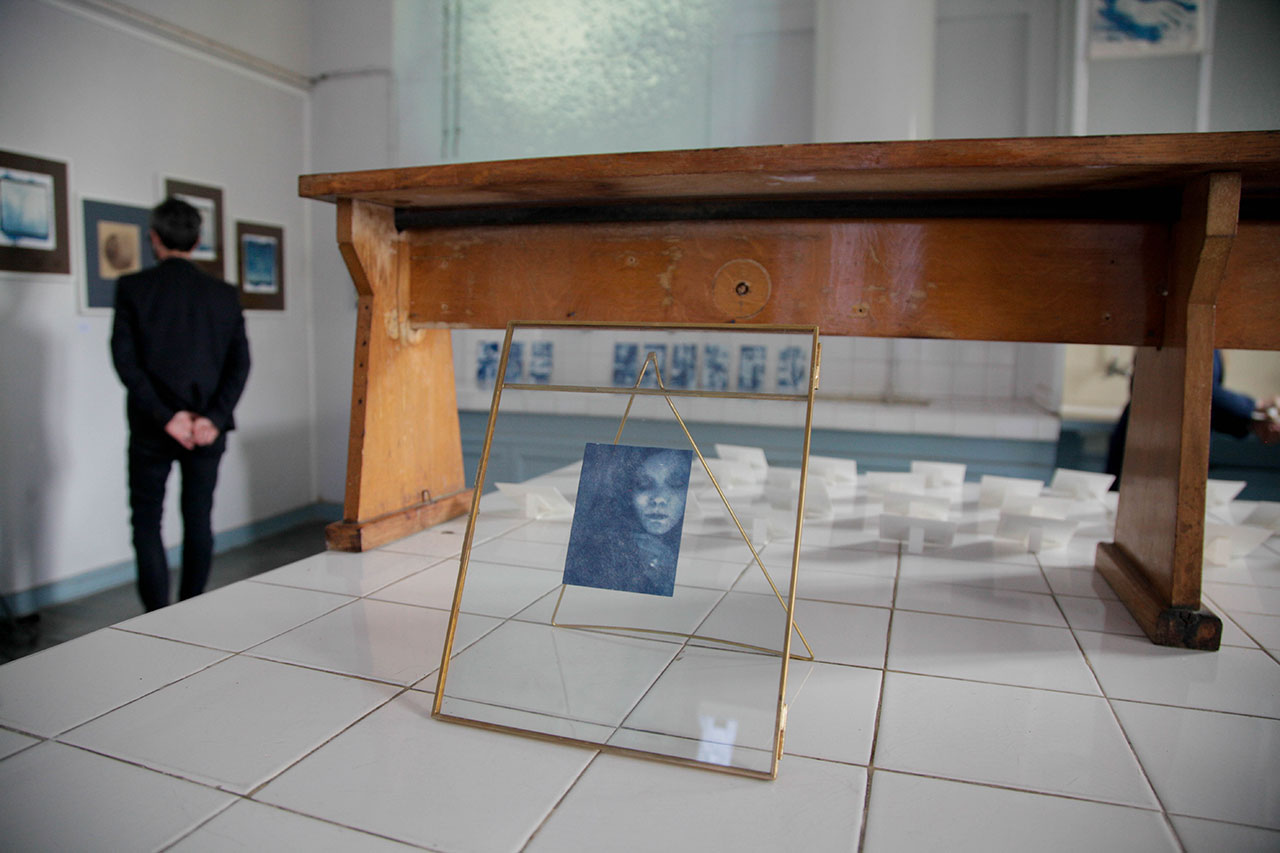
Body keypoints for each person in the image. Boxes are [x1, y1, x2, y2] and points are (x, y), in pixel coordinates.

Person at [110, 198, 251, 611]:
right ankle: (191, 611)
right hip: (206, 428)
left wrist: (166, 416)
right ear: (198, 239)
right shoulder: (223, 294)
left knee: (146, 522)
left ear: (154, 238)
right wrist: (213, 418)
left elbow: (125, 361)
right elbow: (240, 364)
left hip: (152, 427)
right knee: (198, 519)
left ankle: (155, 617)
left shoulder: (133, 288)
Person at [1106, 350, 1280, 487]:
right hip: (1151, 446)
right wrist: (1255, 408)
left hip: (1159, 444)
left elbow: (1203, 404)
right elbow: (1198, 389)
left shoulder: (1209, 339)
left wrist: (1254, 419)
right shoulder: (1188, 327)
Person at [563, 444, 692, 597]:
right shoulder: (597, 553)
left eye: (676, 483)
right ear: (628, 492)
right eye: (643, 484)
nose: (658, 498)